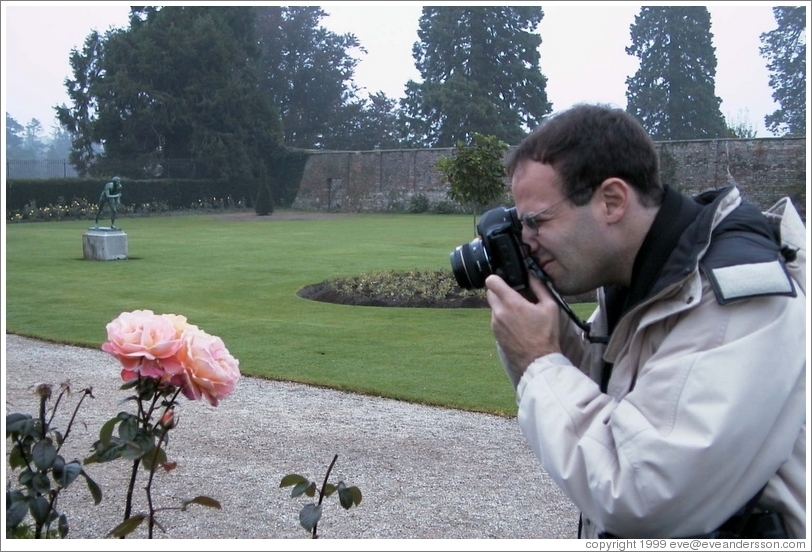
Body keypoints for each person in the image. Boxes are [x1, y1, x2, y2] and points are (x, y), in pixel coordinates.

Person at [485, 103, 806, 539]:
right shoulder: (649, 278)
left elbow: (640, 494)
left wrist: (539, 359)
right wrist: (535, 318)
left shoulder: (736, 297)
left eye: (537, 221)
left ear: (612, 200)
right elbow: (607, 408)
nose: (527, 241)